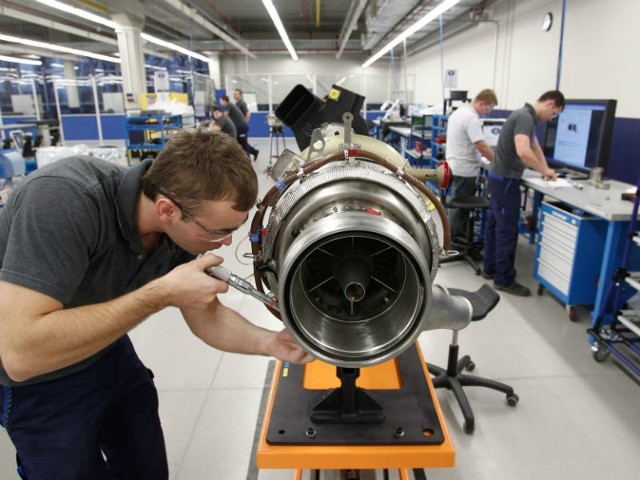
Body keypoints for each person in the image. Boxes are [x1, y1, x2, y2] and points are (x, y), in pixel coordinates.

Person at [0, 129, 312, 479]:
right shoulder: (63, 201)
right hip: (37, 382)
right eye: (215, 231)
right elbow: (21, 354)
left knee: (143, 459)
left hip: (106, 351)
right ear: (166, 209)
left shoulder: (176, 232)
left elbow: (207, 317)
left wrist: (269, 341)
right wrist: (160, 293)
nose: (224, 244)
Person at [483, 90, 565, 296]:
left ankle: (490, 268)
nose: (551, 118)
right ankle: (503, 279)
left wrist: (547, 171)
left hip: (498, 179)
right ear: (550, 104)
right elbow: (523, 151)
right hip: (506, 182)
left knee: (495, 224)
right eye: (554, 113)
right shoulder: (525, 117)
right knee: (507, 229)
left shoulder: (523, 114)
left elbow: (535, 147)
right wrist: (543, 170)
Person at [445, 89, 498, 240]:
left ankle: (455, 236)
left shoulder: (459, 113)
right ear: (482, 103)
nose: (487, 112)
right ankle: (455, 240)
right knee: (460, 207)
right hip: (465, 170)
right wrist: (497, 161)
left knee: (457, 203)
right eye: (488, 108)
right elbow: (481, 145)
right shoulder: (471, 117)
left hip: (455, 166)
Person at [220, 94, 259, 162]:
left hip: (241, 126)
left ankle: (247, 160)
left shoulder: (228, 105)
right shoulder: (232, 104)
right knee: (239, 142)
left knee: (243, 144)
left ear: (224, 100)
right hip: (238, 127)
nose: (220, 102)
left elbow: (225, 115)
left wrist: (218, 119)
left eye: (220, 100)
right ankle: (254, 152)